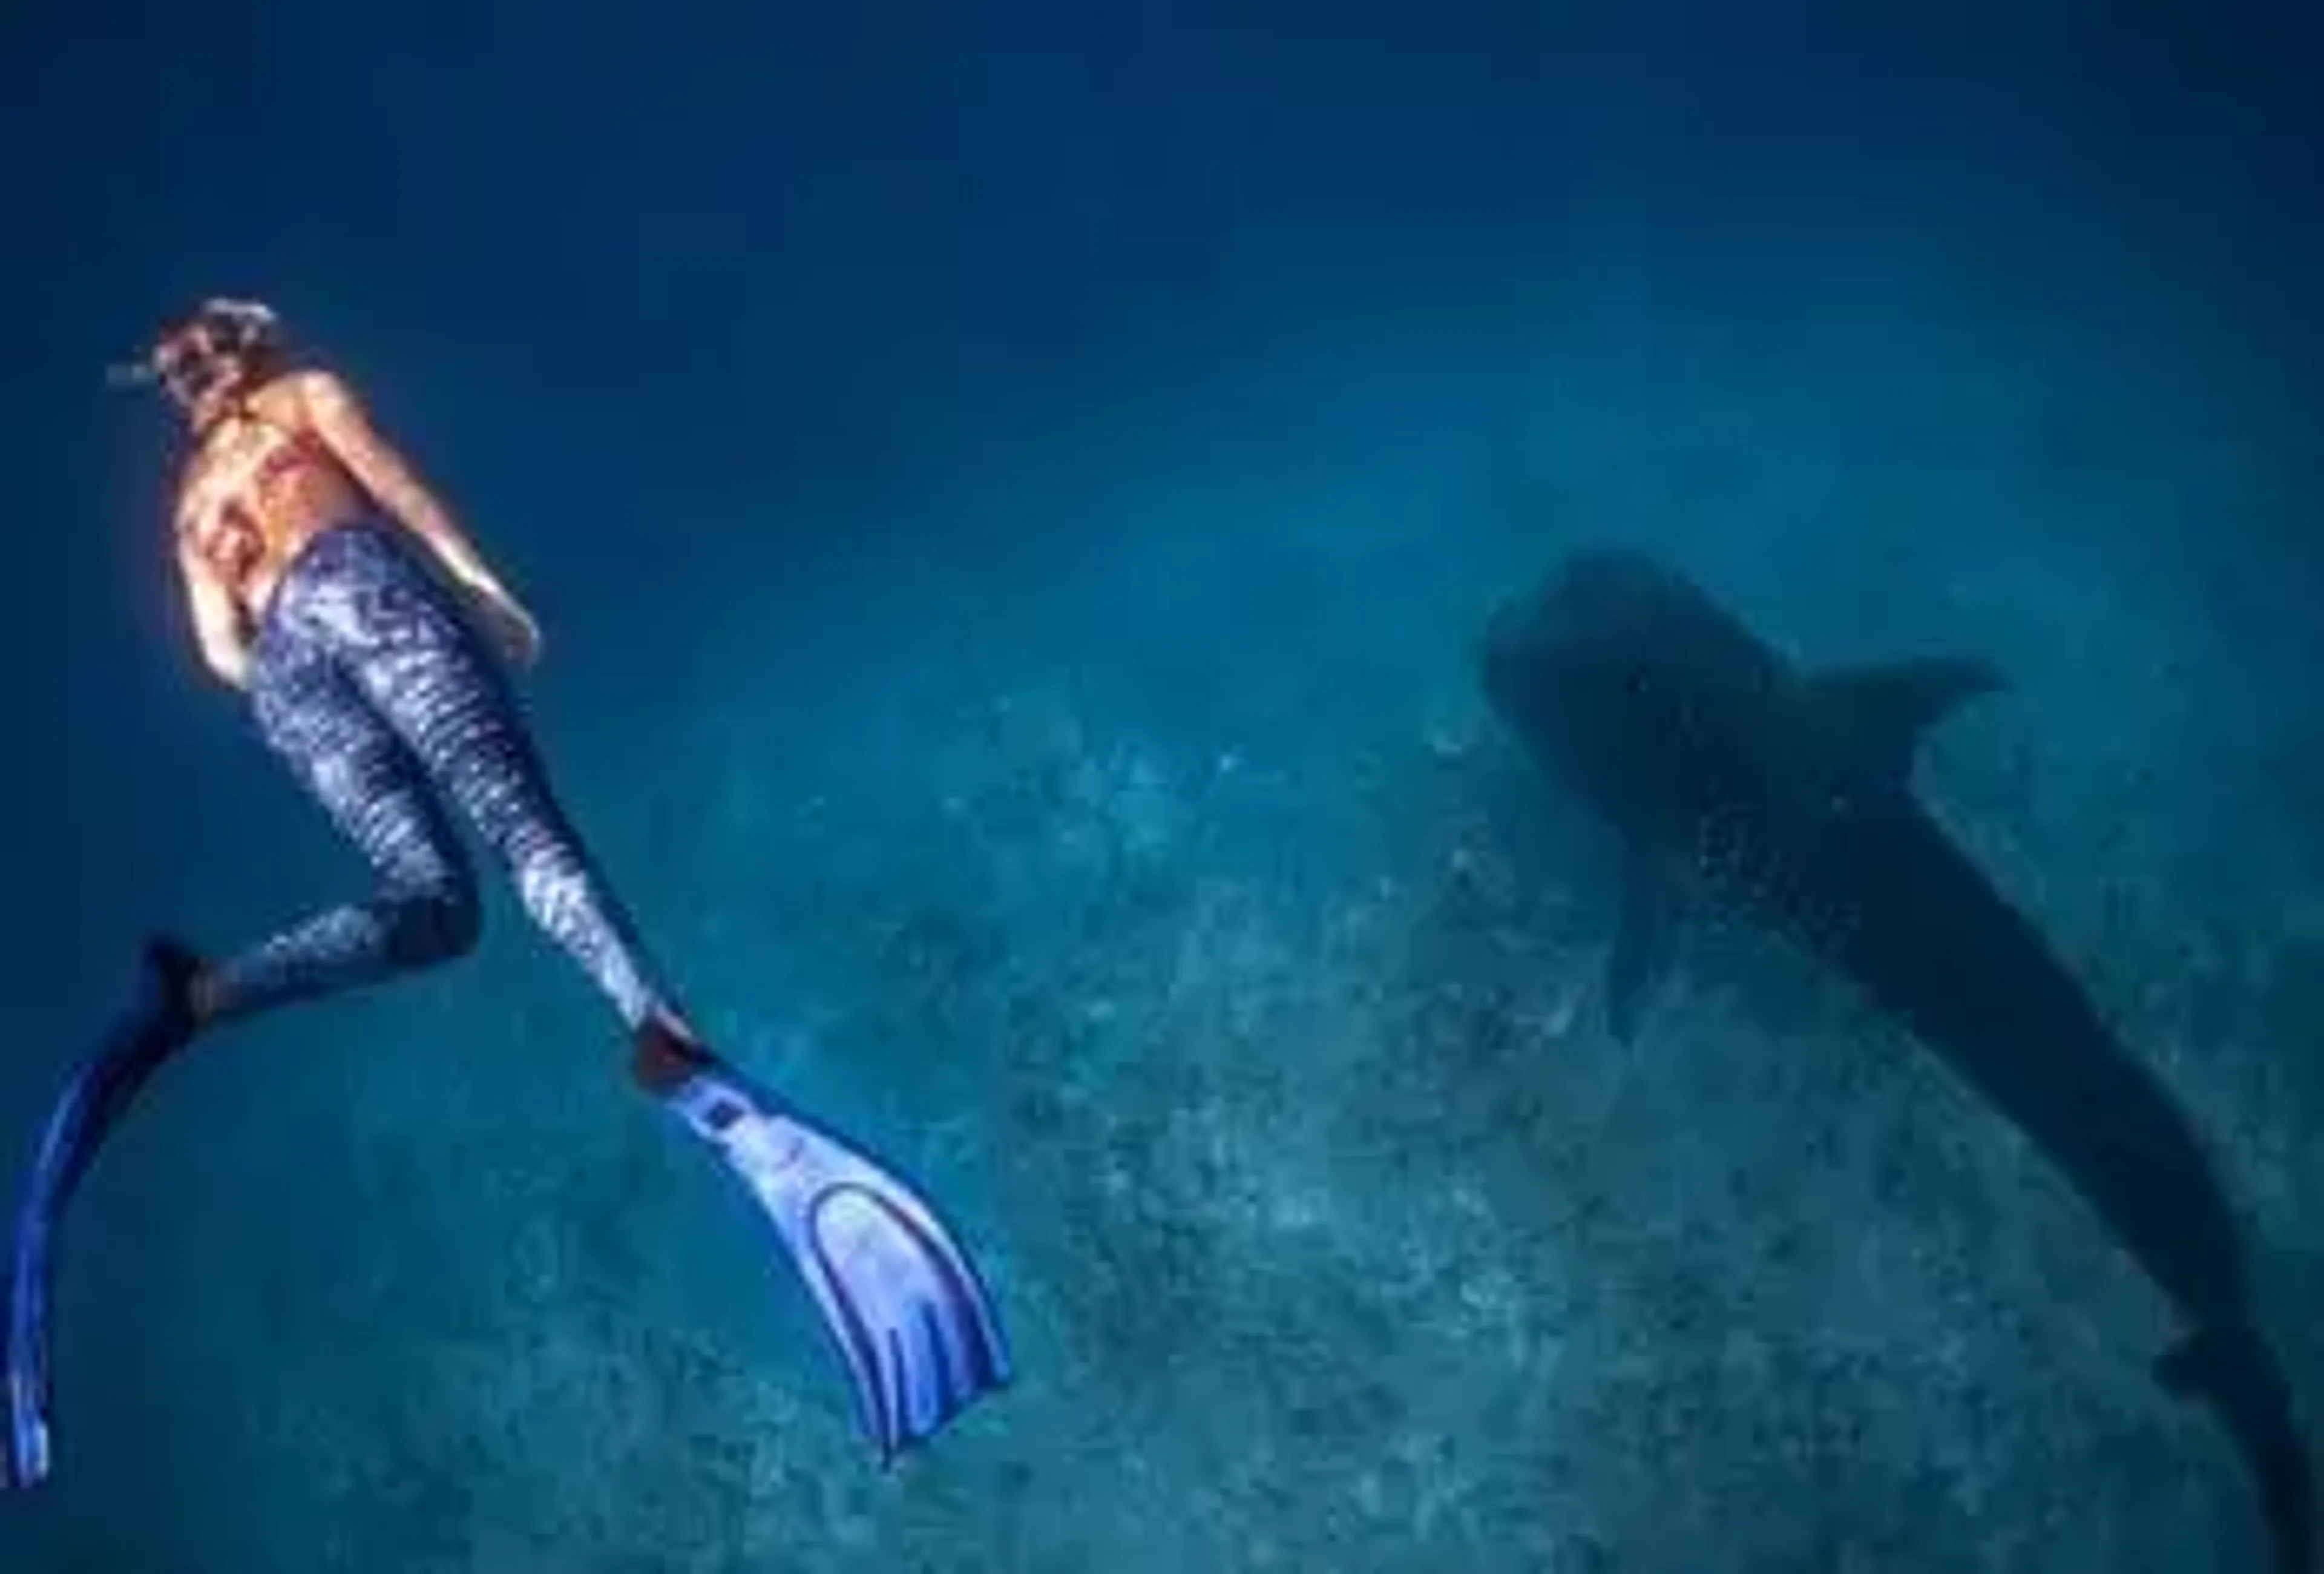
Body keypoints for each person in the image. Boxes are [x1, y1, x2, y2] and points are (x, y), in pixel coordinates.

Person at [2, 298, 1006, 1489]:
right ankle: (661, 1026)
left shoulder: (187, 509)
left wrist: (299, 651)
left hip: (286, 673)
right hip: (356, 585)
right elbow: (389, 484)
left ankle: (213, 994)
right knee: (526, 834)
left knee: (433, 905)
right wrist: (476, 587)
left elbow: (222, 653)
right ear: (253, 354)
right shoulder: (301, 400)